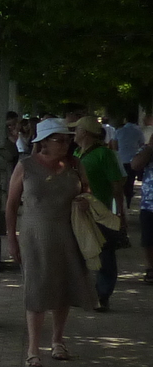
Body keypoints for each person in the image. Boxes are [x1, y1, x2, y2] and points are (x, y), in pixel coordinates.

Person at [6, 117, 95, 367]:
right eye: (59, 139)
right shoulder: (26, 166)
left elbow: (87, 190)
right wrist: (12, 238)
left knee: (63, 285)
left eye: (68, 139)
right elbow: (12, 204)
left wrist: (86, 199)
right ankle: (33, 349)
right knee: (36, 287)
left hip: (69, 232)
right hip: (35, 234)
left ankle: (58, 340)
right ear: (44, 142)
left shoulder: (75, 165)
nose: (65, 144)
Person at [74, 116, 128, 310]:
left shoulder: (104, 154)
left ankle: (102, 295)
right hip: (79, 211)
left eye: (77, 129)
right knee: (80, 251)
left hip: (101, 211)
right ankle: (83, 293)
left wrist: (120, 213)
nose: (74, 132)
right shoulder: (76, 152)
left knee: (105, 253)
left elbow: (116, 186)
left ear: (85, 133)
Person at [133, 140, 153, 285]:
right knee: (148, 239)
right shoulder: (147, 150)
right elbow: (135, 165)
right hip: (149, 203)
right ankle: (151, 268)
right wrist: (150, 147)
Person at [114, 112, 146, 187]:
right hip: (132, 159)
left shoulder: (119, 131)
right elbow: (142, 145)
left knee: (120, 181)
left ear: (126, 120)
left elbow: (114, 145)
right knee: (130, 181)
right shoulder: (138, 132)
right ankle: (129, 196)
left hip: (121, 159)